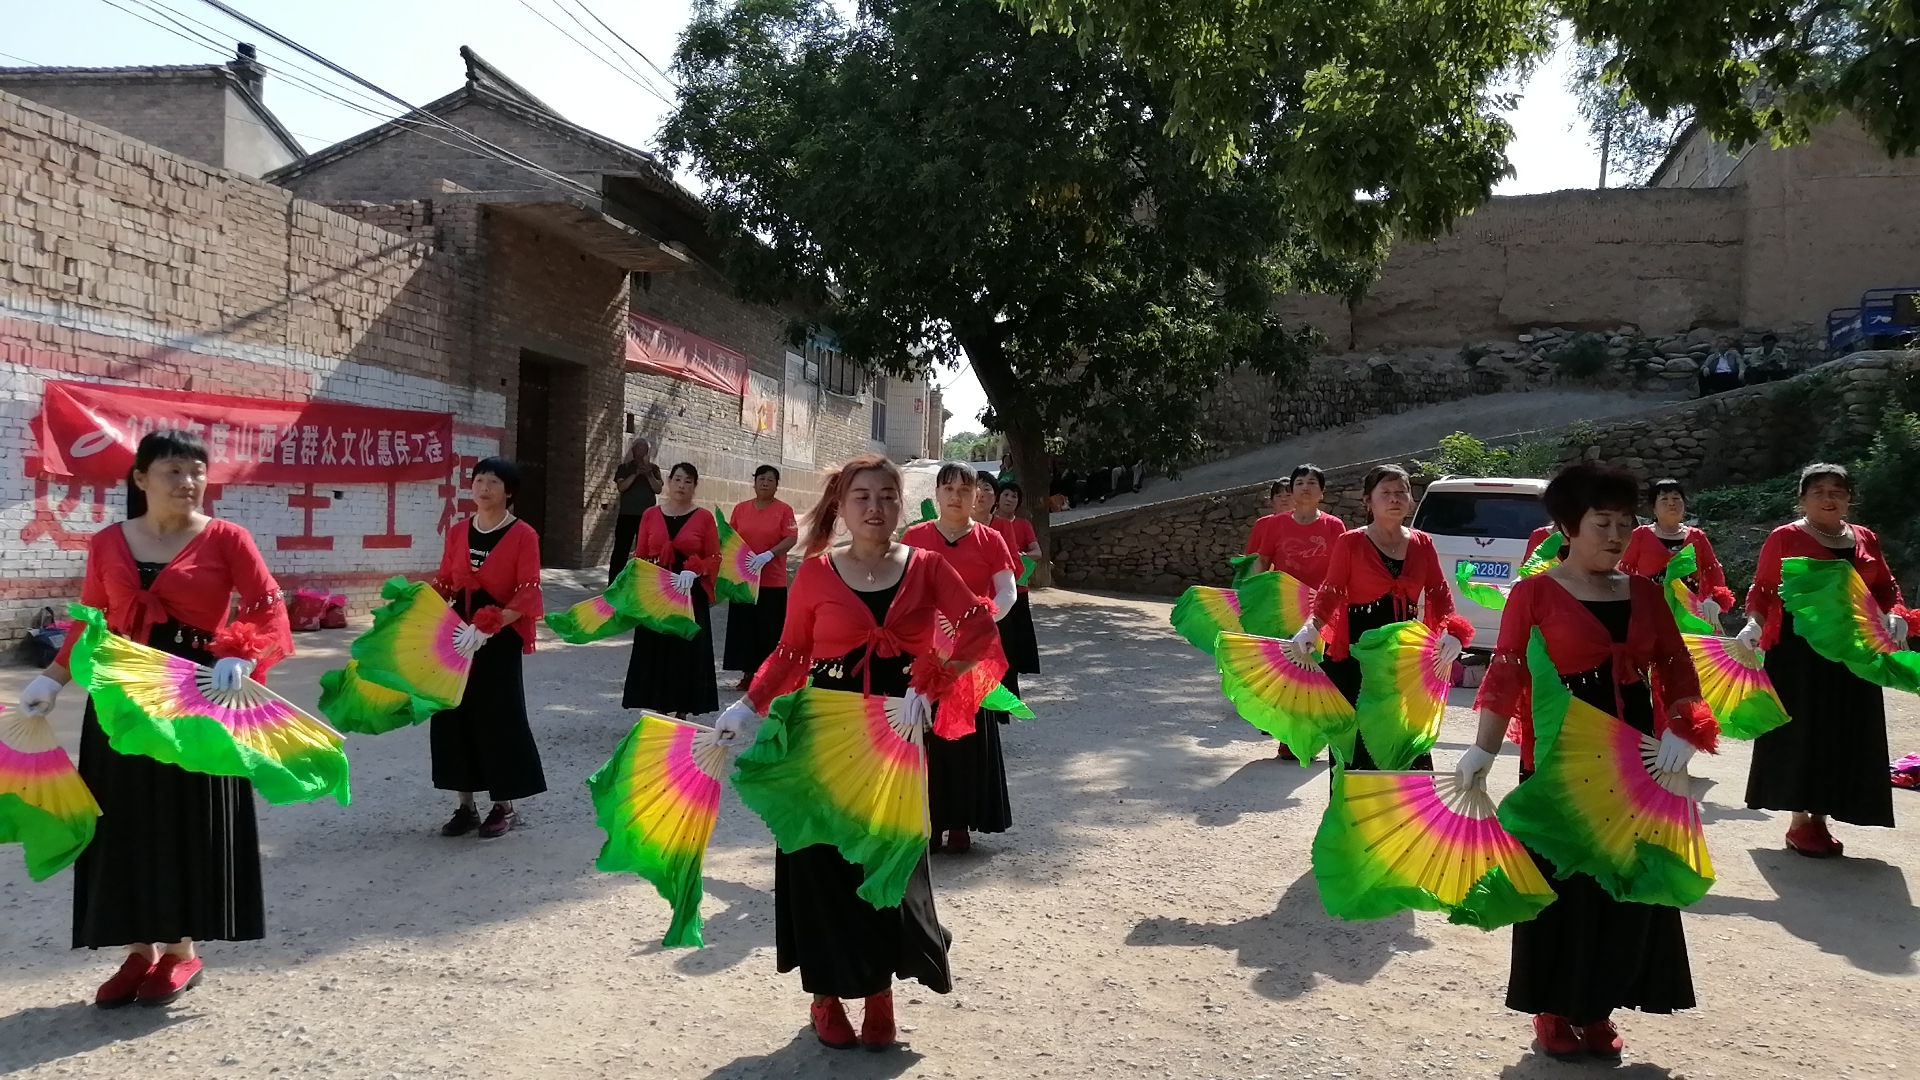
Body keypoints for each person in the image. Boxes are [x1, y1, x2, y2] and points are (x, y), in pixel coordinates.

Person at [710, 454, 997, 1051]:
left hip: (895, 736)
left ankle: (878, 993)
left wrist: (932, 682)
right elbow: (791, 654)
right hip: (825, 731)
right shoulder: (814, 573)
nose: (875, 506)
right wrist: (751, 703)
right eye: (861, 496)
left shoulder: (928, 566)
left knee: (887, 862)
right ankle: (825, 995)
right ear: (840, 505)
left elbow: (979, 632)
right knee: (819, 861)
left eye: (887, 495)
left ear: (901, 502)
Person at [15, 430, 291, 1008]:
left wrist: (243, 652)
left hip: (197, 691)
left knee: (187, 817)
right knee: (124, 816)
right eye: (172, 471)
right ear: (141, 479)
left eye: (196, 471)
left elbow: (268, 606)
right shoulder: (108, 542)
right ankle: (137, 950)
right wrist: (54, 679)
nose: (187, 482)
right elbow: (90, 621)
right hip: (121, 694)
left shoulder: (226, 538)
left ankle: (182, 952)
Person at [1459, 461, 1718, 1061]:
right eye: (1602, 522)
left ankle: (1598, 1009)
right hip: (1558, 760)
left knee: (1624, 886)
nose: (1616, 535)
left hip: (1637, 762)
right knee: (1562, 886)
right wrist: (1483, 748)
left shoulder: (1647, 593)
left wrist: (1686, 725)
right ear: (1568, 527)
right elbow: (1505, 674)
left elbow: (1679, 668)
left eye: (1624, 523)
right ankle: (1553, 1008)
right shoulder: (1535, 592)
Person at [1738, 463, 1906, 856]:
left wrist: (1894, 612)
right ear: (1802, 499)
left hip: (1852, 650)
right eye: (1818, 491)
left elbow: (1884, 585)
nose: (1828, 498)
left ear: (1849, 498)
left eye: (1837, 490)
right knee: (1802, 730)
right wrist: (1752, 624)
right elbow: (1764, 589)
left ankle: (1822, 819)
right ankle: (1799, 822)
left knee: (1842, 729)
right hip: (1800, 652)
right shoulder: (1786, 537)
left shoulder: (1864, 538)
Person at [1290, 464, 1469, 769]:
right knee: (1359, 746)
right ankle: (1355, 815)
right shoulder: (1351, 542)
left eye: (1402, 492)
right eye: (1385, 492)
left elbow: (1440, 592)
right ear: (1367, 501)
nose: (1395, 498)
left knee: (1407, 741)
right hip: (1357, 659)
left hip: (1404, 658)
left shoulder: (1422, 543)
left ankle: (1404, 816)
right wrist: (1311, 627)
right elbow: (1330, 591)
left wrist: (1452, 630)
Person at [428, 457, 547, 840]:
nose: (483, 487)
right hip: (457, 635)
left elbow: (528, 591)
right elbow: (446, 580)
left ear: (508, 491)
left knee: (498, 717)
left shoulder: (523, 534)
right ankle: (465, 806)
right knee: (452, 715)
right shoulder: (459, 531)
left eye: (492, 482)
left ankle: (505, 806)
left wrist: (490, 627)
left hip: (498, 640)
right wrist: (424, 608)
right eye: (478, 480)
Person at [904, 464, 1019, 853]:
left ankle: (960, 824)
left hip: (973, 654)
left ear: (977, 496)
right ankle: (928, 824)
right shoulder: (914, 537)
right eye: (948, 487)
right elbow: (900, 587)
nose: (956, 495)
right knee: (923, 736)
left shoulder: (990, 540)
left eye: (964, 489)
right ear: (936, 492)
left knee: (968, 740)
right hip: (925, 652)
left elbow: (1008, 592)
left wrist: (981, 616)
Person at [1251, 465, 1348, 759]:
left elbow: (1343, 568)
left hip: (1322, 612)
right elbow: (1262, 560)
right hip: (1283, 610)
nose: (1305, 487)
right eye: (1299, 482)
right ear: (1291, 490)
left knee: (1317, 674)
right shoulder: (1275, 525)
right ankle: (1289, 738)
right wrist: (1258, 593)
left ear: (1322, 492)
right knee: (1288, 676)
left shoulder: (1334, 527)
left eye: (1312, 483)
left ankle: (1311, 737)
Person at [623, 463, 722, 718]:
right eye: (677, 479)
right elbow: (641, 554)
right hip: (658, 586)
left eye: (688, 481)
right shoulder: (650, 515)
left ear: (694, 486)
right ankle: (659, 704)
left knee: (686, 649)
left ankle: (684, 708)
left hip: (689, 588)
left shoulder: (704, 517)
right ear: (668, 481)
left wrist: (696, 569)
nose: (681, 486)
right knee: (657, 647)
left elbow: (714, 556)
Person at [723, 465, 800, 691]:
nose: (765, 483)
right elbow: (730, 537)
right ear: (754, 481)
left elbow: (791, 538)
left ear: (777, 485)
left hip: (771, 580)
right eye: (761, 478)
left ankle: (768, 676)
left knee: (769, 629)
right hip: (744, 579)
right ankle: (748, 674)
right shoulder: (740, 509)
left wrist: (769, 554)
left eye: (770, 480)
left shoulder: (784, 510)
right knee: (744, 628)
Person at [1617, 479, 1735, 625]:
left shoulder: (1697, 536)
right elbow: (1624, 572)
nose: (1671, 503)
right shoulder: (1640, 535)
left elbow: (1713, 571)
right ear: (1653, 508)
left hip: (1692, 615)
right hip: (1650, 614)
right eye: (1664, 499)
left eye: (1676, 498)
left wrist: (1714, 599)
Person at [990, 481, 1044, 692]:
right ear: (998, 497)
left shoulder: (1023, 525)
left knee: (1013, 640)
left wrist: (1019, 557)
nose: (1010, 499)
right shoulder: (986, 523)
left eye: (1014, 496)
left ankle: (1010, 687)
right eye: (1006, 494)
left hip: (1017, 589)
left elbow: (1037, 552)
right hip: (990, 591)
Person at [611, 437, 663, 584]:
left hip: (648, 517)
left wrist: (648, 474)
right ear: (633, 451)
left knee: (647, 551)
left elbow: (658, 489)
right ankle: (614, 584)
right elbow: (622, 487)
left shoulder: (654, 469)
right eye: (639, 449)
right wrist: (635, 474)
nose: (641, 453)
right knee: (620, 551)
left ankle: (644, 583)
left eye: (644, 450)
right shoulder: (624, 468)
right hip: (627, 515)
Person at [1242, 479, 1293, 560]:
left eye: (1288, 495)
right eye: (1279, 496)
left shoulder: (1305, 521)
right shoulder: (1262, 523)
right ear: (1271, 501)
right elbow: (1251, 556)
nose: (1284, 499)